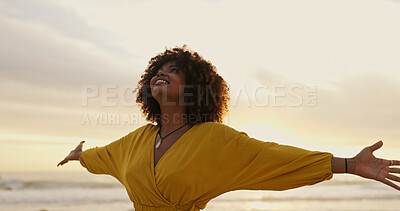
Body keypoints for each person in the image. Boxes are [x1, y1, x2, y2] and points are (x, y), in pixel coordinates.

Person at [57, 45, 400, 211]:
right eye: (157, 70)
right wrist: (79, 155)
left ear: (194, 85)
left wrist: (350, 165)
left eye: (173, 70)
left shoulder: (213, 138)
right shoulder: (136, 140)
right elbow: (102, 157)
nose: (160, 73)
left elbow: (276, 157)